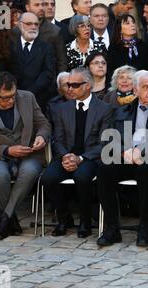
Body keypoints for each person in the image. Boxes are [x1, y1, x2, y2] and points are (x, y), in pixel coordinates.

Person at [97, 70, 148, 247]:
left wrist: (140, 151)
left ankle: (144, 228)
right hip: (126, 157)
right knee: (104, 168)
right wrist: (122, 151)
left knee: (146, 169)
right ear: (135, 90)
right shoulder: (121, 111)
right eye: (145, 87)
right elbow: (109, 137)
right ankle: (112, 229)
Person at [0, 72, 51, 240]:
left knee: (29, 172)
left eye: (13, 96)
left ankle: (5, 216)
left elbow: (43, 124)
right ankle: (11, 219)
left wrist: (41, 137)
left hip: (30, 154)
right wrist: (7, 150)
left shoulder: (27, 98)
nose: (11, 100)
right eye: (5, 98)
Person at [41, 68, 112, 238]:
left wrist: (80, 158)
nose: (69, 89)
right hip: (66, 155)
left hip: (91, 157)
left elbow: (105, 142)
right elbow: (57, 139)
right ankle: (64, 218)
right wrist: (66, 156)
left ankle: (85, 222)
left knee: (82, 177)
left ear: (88, 86)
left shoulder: (104, 109)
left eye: (74, 85)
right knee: (48, 178)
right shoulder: (62, 108)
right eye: (67, 85)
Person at [9, 12, 56, 114]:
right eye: (29, 24)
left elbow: (48, 73)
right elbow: (7, 70)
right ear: (20, 25)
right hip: (13, 98)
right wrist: (15, 91)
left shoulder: (46, 47)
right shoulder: (10, 46)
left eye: (36, 24)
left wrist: (30, 92)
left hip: (39, 98)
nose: (33, 27)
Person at [14, 0, 67, 73]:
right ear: (27, 7)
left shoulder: (54, 31)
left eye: (43, 5)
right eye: (37, 5)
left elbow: (62, 61)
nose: (41, 8)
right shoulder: (16, 31)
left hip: (46, 80)